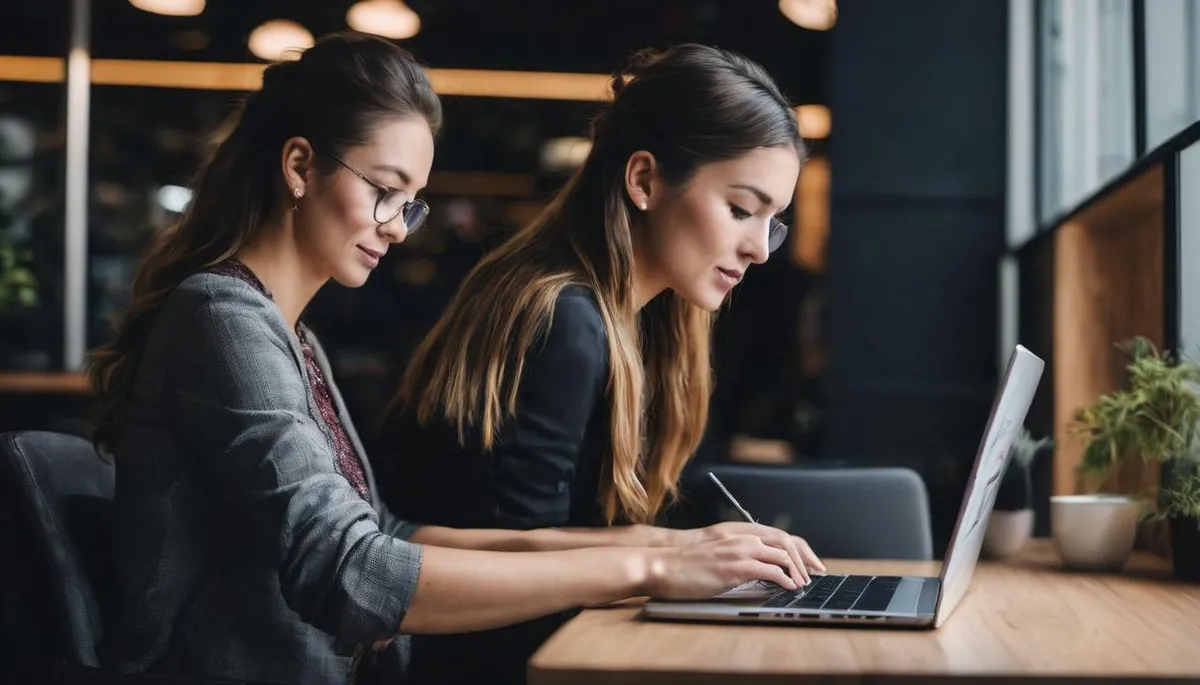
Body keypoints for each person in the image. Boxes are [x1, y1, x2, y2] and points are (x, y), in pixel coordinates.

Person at [86, 32, 814, 685]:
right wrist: (653, 565)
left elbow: (389, 534)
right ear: (301, 166)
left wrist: (670, 547)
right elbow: (350, 573)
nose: (398, 228)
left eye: (410, 203)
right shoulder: (223, 318)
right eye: (383, 192)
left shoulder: (285, 332)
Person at [378, 44, 821, 684]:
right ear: (643, 180)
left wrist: (701, 555)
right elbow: (518, 579)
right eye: (740, 209)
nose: (758, 249)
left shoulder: (642, 317)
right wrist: (673, 558)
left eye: (772, 222)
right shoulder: (562, 317)